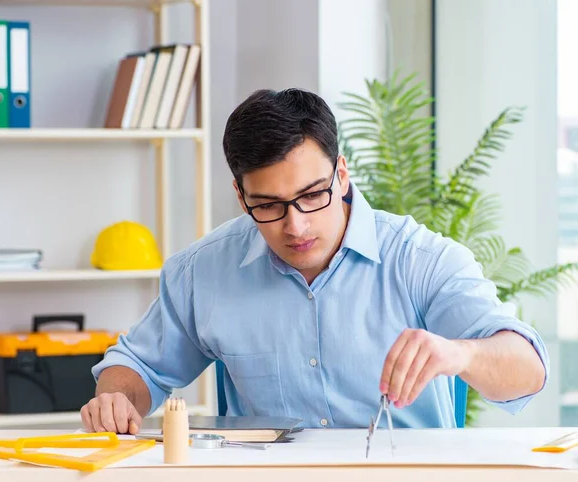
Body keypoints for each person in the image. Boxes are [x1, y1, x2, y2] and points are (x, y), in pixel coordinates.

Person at [81, 88, 548, 435]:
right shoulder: (203, 273)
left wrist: (461, 352)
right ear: (240, 197)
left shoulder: (420, 259)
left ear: (341, 174)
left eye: (312, 195)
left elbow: (528, 370)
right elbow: (137, 366)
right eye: (268, 205)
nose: (296, 226)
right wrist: (116, 399)